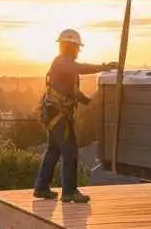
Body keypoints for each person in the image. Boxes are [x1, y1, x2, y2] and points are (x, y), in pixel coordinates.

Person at [34, 29, 116, 204]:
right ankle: (69, 192)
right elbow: (81, 68)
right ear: (70, 47)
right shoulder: (63, 63)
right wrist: (103, 66)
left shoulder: (65, 65)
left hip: (56, 115)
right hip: (58, 115)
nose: (78, 50)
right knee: (70, 151)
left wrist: (89, 103)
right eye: (76, 47)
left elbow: (75, 93)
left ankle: (41, 188)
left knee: (54, 151)